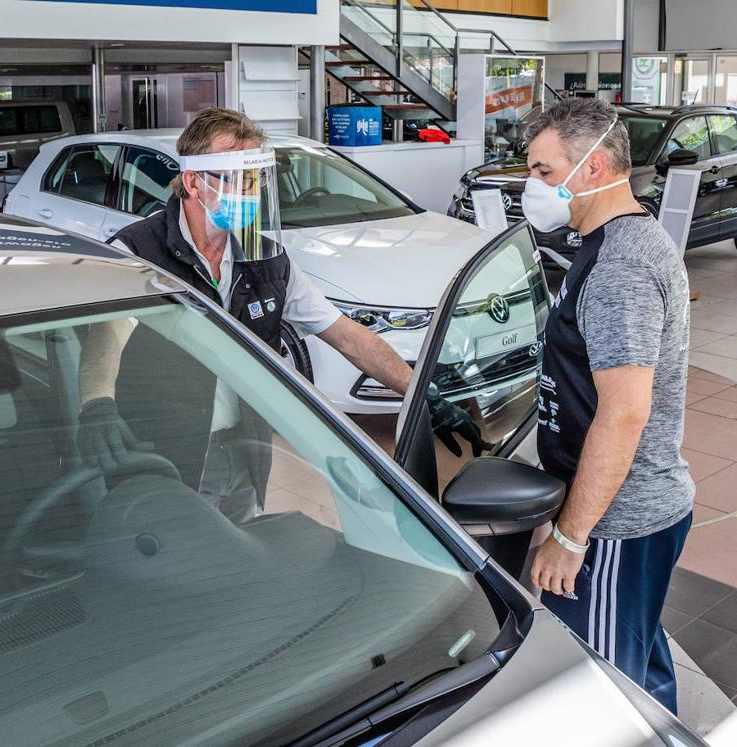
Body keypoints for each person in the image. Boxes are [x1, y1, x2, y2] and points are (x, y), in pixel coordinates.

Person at [77, 107, 487, 522]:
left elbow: (346, 334)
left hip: (246, 448)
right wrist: (96, 403)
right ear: (193, 183)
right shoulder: (139, 252)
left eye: (254, 180)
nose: (249, 194)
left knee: (244, 549)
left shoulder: (266, 258)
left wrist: (421, 392)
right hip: (166, 453)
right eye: (236, 180)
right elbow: (106, 336)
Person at [523, 98, 694, 713]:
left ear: (592, 168)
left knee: (606, 694)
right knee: (641, 670)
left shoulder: (621, 263)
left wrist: (570, 538)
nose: (533, 186)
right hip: (623, 515)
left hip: (615, 525)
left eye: (544, 171)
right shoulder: (609, 245)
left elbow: (624, 412)